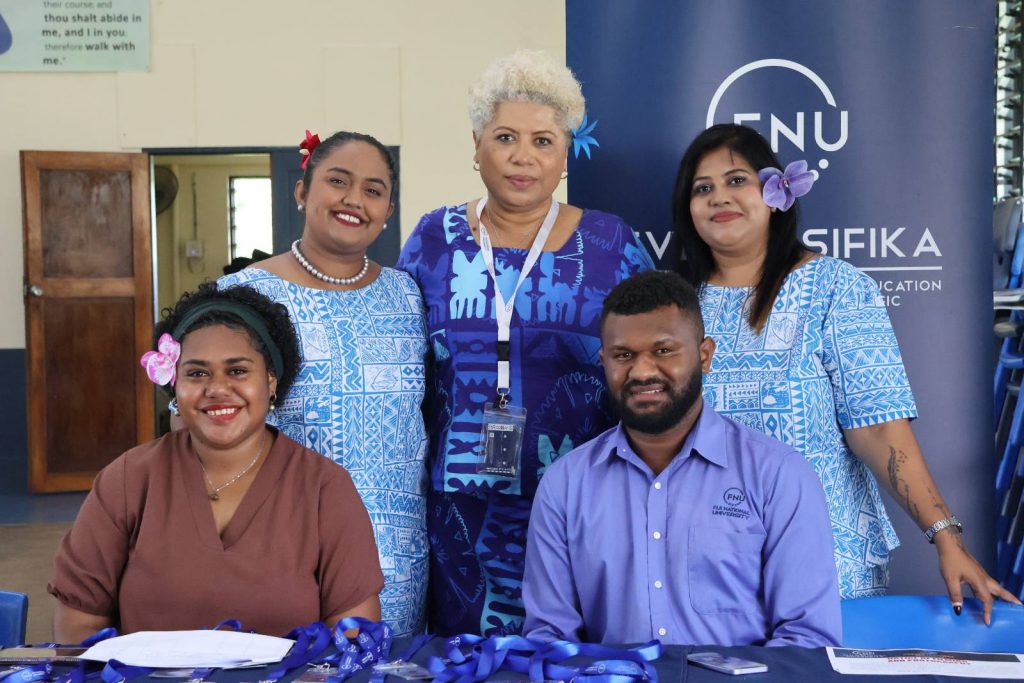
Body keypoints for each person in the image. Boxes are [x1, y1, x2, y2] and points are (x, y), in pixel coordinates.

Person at [673, 123, 1020, 622]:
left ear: (776, 194)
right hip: (703, 572)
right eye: (702, 188)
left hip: (823, 567)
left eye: (736, 181)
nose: (718, 197)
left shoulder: (835, 287)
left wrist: (946, 537)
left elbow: (880, 429)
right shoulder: (678, 307)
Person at [397, 50, 654, 636]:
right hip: (459, 510)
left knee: (577, 660)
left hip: (583, 501)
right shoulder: (433, 238)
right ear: (476, 144)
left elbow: (651, 368)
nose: (523, 156)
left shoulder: (612, 242)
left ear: (565, 155)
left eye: (543, 140)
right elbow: (408, 360)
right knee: (471, 663)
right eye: (505, 136)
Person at [523, 271, 841, 647]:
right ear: (603, 360)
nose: (641, 371)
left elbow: (807, 639)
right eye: (624, 355)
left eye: (663, 350)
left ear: (704, 355)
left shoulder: (778, 474)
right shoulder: (565, 483)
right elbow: (549, 638)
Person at [48, 283, 383, 640]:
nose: (217, 388)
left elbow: (353, 640)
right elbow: (78, 626)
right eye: (197, 373)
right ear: (174, 385)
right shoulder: (128, 480)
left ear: (270, 380)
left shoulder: (324, 488)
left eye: (237, 370)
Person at [218, 130, 428, 637]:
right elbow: (207, 435)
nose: (355, 200)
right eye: (338, 181)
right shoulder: (243, 296)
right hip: (285, 546)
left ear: (387, 207)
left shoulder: (407, 294)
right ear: (303, 191)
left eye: (373, 190)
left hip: (397, 556)